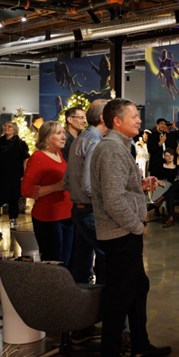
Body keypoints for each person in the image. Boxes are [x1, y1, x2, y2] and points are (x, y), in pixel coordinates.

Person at [90, 98, 171, 357]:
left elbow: (118, 187)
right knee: (119, 297)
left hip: (124, 232)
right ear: (117, 121)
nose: (139, 120)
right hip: (121, 233)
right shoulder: (112, 149)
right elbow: (112, 199)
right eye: (134, 116)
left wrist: (140, 185)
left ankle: (140, 346)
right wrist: (136, 225)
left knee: (138, 287)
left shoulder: (119, 146)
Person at [63, 100, 108, 285]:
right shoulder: (95, 141)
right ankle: (104, 301)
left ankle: (81, 300)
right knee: (107, 257)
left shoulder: (81, 138)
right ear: (103, 117)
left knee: (82, 262)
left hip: (80, 209)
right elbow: (89, 187)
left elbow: (67, 181)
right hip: (91, 210)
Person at [21, 121, 73, 263]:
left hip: (67, 215)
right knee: (54, 262)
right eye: (59, 133)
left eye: (63, 133)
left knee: (65, 262)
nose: (64, 137)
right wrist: (56, 187)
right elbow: (26, 191)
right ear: (47, 137)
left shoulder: (59, 154)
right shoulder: (38, 158)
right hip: (49, 218)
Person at [0, 122, 30, 237]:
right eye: (5, 126)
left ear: (14, 130)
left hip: (14, 175)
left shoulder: (20, 144)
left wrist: (25, 175)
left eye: (9, 126)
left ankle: (13, 222)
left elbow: (25, 160)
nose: (6, 128)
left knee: (13, 200)